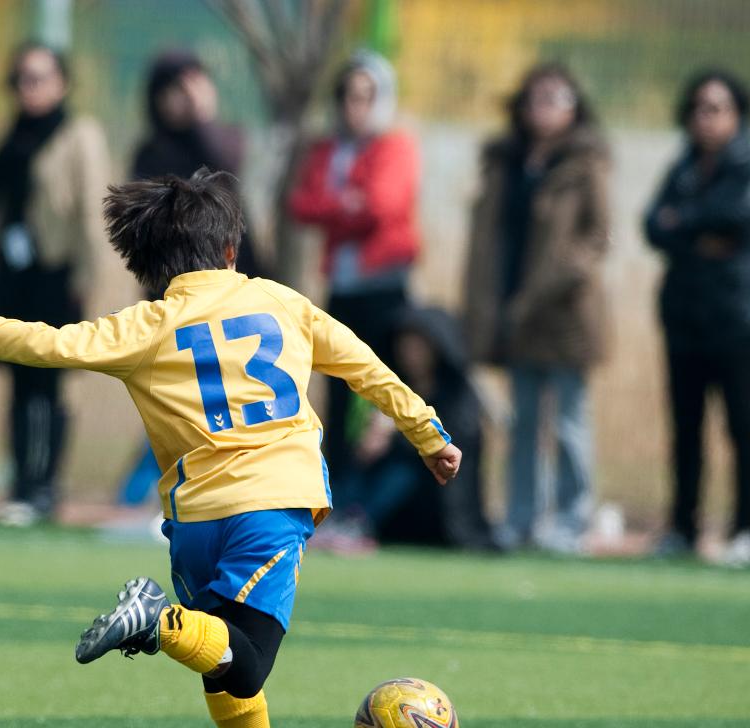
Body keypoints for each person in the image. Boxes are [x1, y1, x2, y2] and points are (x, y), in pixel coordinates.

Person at [0, 168, 460, 728]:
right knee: (243, 661)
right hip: (271, 503)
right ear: (230, 251)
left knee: (220, 650)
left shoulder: (147, 324)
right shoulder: (282, 302)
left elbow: (43, 343)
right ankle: (154, 620)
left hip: (193, 518)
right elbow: (366, 367)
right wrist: (427, 431)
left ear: (151, 269)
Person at [462, 63, 610, 554]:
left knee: (568, 421)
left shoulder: (585, 163)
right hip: (514, 311)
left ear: (574, 106)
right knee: (522, 421)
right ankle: (521, 517)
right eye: (535, 98)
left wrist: (561, 274)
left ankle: (572, 518)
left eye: (555, 97)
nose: (542, 107)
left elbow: (596, 236)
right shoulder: (506, 162)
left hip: (565, 312)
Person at [0, 42, 113, 525]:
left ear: (62, 82)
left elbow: (93, 213)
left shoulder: (77, 134)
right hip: (16, 279)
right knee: (17, 381)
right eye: (21, 79)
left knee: (46, 383)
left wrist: (88, 278)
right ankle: (21, 482)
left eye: (39, 78)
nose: (29, 88)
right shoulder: (15, 136)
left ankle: (43, 484)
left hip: (56, 277)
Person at [118, 50, 262, 505]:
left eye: (192, 87)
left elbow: (229, 175)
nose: (182, 99)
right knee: (180, 395)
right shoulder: (151, 151)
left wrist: (203, 119)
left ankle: (208, 492)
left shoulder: (225, 139)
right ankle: (137, 496)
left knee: (225, 397)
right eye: (173, 90)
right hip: (175, 293)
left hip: (231, 289)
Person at [288, 50, 419, 489]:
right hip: (341, 288)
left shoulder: (394, 146)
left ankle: (372, 492)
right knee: (338, 395)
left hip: (383, 286)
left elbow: (383, 207)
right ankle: (336, 489)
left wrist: (340, 207)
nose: (354, 106)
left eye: (365, 96)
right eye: (347, 95)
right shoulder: (328, 148)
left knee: (382, 391)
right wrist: (346, 204)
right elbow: (302, 203)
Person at [645, 69, 750, 567]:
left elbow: (735, 218)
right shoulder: (682, 166)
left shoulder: (744, 162)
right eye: (698, 108)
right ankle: (683, 527)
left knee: (742, 427)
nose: (704, 119)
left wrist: (683, 224)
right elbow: (651, 224)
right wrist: (695, 231)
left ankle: (744, 527)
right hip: (683, 317)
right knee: (686, 428)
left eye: (716, 108)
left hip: (736, 317)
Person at [321, 306, 495, 552]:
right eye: (405, 346)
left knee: (403, 469)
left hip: (436, 499)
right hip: (393, 501)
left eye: (417, 347)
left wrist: (396, 436)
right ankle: (337, 517)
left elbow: (458, 445)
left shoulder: (457, 393)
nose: (410, 354)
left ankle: (358, 522)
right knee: (362, 457)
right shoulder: (393, 388)